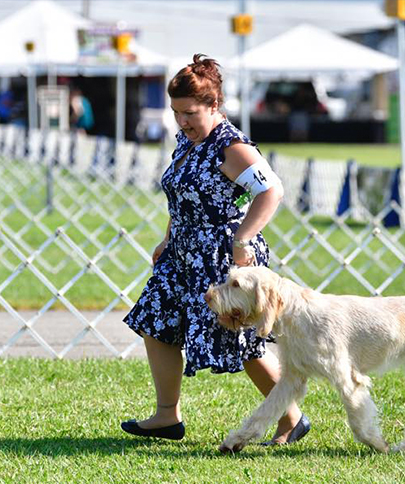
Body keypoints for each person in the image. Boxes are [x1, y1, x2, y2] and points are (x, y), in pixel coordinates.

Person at [121, 54, 310, 447]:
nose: (182, 121)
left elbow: (271, 191)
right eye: (176, 113)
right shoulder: (186, 141)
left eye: (190, 112)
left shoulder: (232, 146)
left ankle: (291, 418)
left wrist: (242, 240)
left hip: (223, 259)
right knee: (155, 322)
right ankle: (166, 416)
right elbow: (182, 196)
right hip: (182, 253)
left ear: (214, 105)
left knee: (239, 343)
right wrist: (168, 237)